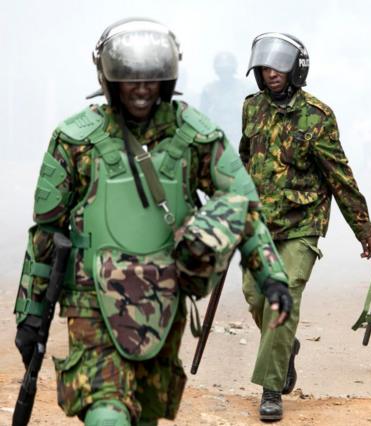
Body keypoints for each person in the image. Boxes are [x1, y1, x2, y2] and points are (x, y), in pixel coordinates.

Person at [13, 18, 292, 426]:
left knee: (142, 412)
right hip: (91, 300)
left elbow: (241, 208)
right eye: (129, 79)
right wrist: (31, 312)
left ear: (168, 79)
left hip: (161, 299)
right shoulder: (74, 140)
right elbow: (47, 233)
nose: (141, 89)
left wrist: (272, 278)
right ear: (109, 78)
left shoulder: (196, 136)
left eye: (152, 79)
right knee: (106, 412)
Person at [239, 32, 371, 421]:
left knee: (283, 295)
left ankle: (270, 389)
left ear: (295, 69)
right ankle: (285, 348)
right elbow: (242, 162)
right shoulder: (252, 108)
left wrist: (362, 228)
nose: (271, 74)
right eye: (264, 68)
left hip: (302, 223)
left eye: (278, 67)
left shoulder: (317, 115)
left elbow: (339, 175)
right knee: (255, 296)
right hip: (260, 224)